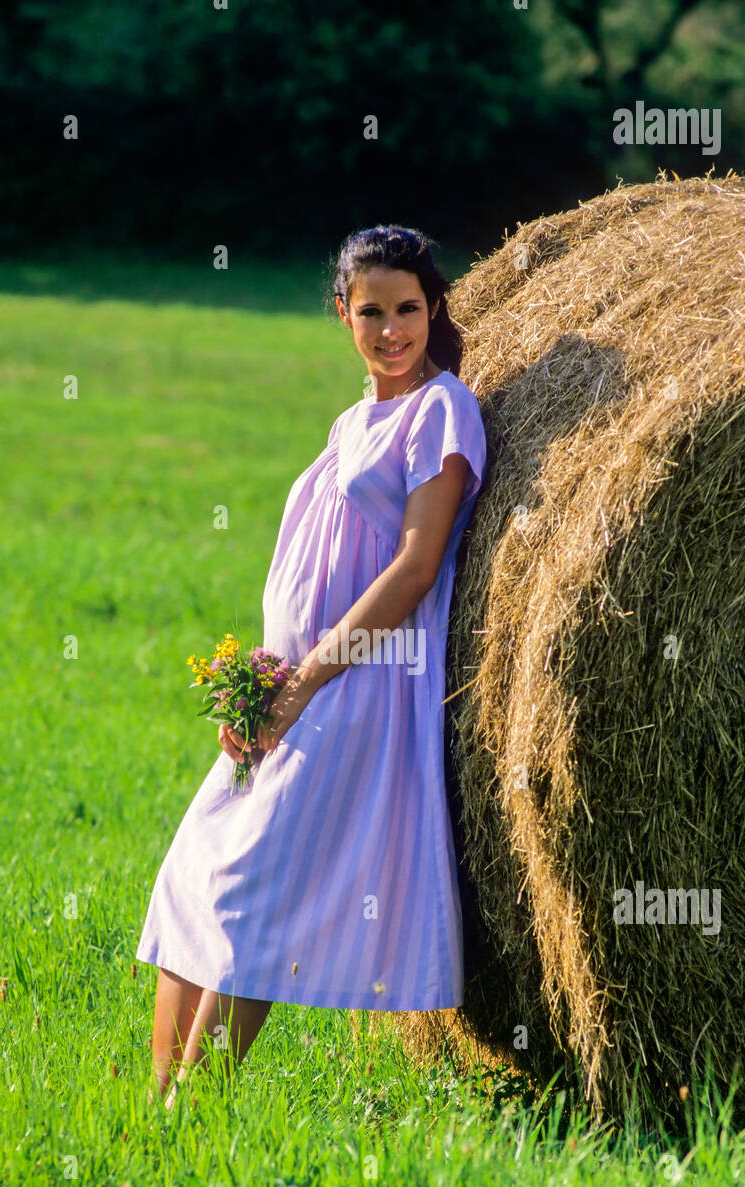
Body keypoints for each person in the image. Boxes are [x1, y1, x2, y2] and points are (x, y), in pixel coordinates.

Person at [136, 224, 487, 1109]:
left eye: (408, 308)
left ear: (433, 307)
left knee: (251, 897)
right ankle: (156, 1107)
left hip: (354, 690)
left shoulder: (441, 410)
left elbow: (413, 568)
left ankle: (195, 1111)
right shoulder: (350, 420)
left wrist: (304, 686)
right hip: (291, 687)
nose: (391, 329)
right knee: (194, 878)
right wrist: (260, 682)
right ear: (343, 312)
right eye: (371, 311)